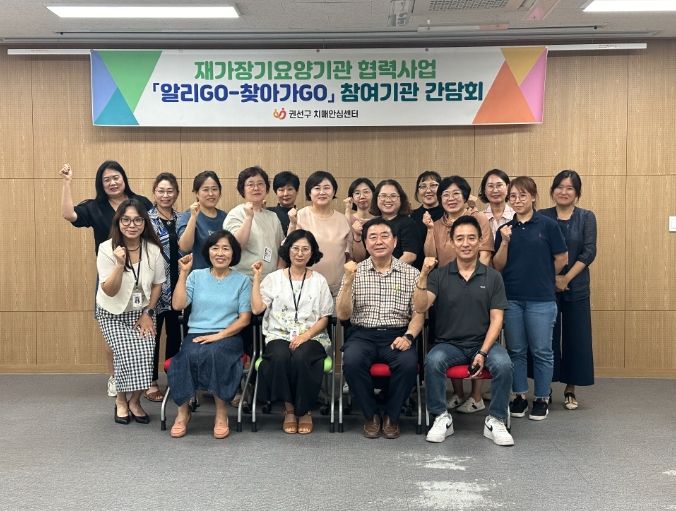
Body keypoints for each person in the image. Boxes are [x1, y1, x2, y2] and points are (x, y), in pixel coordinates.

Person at [414, 216, 514, 446]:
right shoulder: (439, 275)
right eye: (460, 238)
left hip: (484, 343)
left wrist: (483, 352)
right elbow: (420, 306)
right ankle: (441, 417)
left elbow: (497, 320)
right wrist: (423, 275)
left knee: (504, 364)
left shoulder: (493, 277)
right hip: (449, 344)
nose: (466, 243)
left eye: (471, 238)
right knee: (433, 361)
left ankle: (496, 420)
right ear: (451, 242)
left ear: (480, 241)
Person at [60, 160, 153, 397]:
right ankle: (115, 376)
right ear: (101, 184)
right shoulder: (95, 207)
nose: (112, 182)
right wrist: (67, 183)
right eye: (106, 180)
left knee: (140, 327)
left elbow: (153, 231)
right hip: (111, 273)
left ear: (124, 178)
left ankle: (142, 380)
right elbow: (69, 214)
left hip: (141, 272)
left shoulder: (141, 203)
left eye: (116, 177)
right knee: (112, 329)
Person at [336, 218, 424, 439]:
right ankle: (371, 415)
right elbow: (343, 315)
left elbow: (419, 313)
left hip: (397, 334)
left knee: (408, 364)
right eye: (372, 237)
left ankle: (392, 416)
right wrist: (348, 281)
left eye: (384, 236)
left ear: (395, 242)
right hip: (362, 334)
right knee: (352, 361)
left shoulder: (411, 274)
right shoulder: (354, 272)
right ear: (366, 244)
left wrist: (408, 337)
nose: (379, 241)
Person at [493, 176, 568, 421]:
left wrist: (544, 276)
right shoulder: (505, 229)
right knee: (516, 350)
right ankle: (519, 396)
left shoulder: (548, 225)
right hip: (512, 299)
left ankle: (542, 398)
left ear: (533, 197)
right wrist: (504, 242)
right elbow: (497, 265)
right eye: (513, 196)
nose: (517, 200)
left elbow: (562, 258)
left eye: (522, 195)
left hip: (541, 299)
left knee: (542, 351)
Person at [168, 230, 252, 439]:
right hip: (197, 333)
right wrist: (183, 273)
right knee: (186, 356)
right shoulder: (196, 276)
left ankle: (221, 414)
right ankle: (183, 412)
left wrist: (219, 336)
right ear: (208, 252)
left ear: (233, 253)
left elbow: (244, 319)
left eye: (226, 248)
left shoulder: (242, 280)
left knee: (215, 353)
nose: (220, 253)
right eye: (215, 248)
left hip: (229, 336)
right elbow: (178, 305)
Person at [250, 230, 334, 434]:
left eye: (305, 249)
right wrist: (257, 278)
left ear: (312, 253)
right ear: (288, 251)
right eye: (295, 248)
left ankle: (304, 411)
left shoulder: (319, 281)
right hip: (278, 335)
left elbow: (325, 317)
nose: (300, 253)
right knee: (280, 356)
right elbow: (257, 309)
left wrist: (305, 336)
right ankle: (289, 409)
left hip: (312, 336)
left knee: (302, 356)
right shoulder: (273, 278)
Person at [423, 175, 493, 412]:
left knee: (476, 337)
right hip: (444, 290)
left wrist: (476, 282)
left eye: (456, 194)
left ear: (465, 196)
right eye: (445, 195)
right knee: (448, 337)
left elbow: (485, 254)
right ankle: (458, 392)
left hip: (476, 288)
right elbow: (431, 256)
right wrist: (430, 231)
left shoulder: (478, 219)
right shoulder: (437, 224)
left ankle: (476, 396)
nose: (451, 198)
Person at [95, 198, 165, 425]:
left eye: (137, 220)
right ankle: (121, 401)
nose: (131, 225)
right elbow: (109, 290)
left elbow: (158, 284)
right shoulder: (107, 249)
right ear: (118, 222)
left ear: (144, 223)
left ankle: (135, 401)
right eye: (126, 220)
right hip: (112, 312)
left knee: (146, 351)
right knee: (124, 353)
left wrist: (148, 313)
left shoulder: (153, 250)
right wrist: (118, 264)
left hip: (140, 312)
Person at [540, 170, 597, 409]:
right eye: (559, 187)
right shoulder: (542, 216)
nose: (564, 192)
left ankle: (570, 388)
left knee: (576, 337)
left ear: (577, 193)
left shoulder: (586, 217)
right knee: (546, 338)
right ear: (553, 190)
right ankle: (544, 386)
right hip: (546, 287)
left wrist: (566, 278)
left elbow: (589, 251)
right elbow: (537, 250)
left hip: (577, 286)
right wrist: (553, 278)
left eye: (569, 188)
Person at [145, 172, 182, 402]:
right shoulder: (146, 219)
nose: (165, 195)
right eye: (161, 191)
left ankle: (174, 377)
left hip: (179, 286)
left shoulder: (182, 218)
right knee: (153, 335)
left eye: (170, 191)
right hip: (155, 286)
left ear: (176, 193)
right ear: (154, 193)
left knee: (176, 335)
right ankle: (150, 382)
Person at [288, 170, 352, 296]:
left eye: (327, 188)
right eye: (317, 188)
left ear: (333, 192)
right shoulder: (300, 215)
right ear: (309, 193)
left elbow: (350, 255)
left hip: (336, 290)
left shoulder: (343, 219)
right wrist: (292, 224)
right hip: (305, 289)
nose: (322, 192)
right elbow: (288, 249)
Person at [224, 166, 284, 279]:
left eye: (260, 184)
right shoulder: (236, 214)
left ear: (266, 188)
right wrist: (248, 218)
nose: (256, 188)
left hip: (270, 279)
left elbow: (281, 248)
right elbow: (236, 246)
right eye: (250, 184)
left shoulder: (273, 216)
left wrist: (279, 273)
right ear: (242, 189)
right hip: (243, 279)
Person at [352, 179, 423, 268]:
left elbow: (410, 256)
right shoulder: (370, 224)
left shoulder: (408, 223)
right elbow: (360, 259)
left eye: (393, 196)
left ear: (400, 199)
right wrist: (357, 236)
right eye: (383, 196)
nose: (388, 200)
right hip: (371, 274)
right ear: (376, 198)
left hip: (399, 274)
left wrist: (386, 271)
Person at [177, 170, 227, 270]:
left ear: (220, 192)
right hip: (197, 276)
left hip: (223, 275)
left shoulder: (225, 217)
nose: (211, 193)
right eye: (205, 190)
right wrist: (193, 217)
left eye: (214, 189)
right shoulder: (187, 216)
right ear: (197, 193)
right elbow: (185, 247)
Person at [478, 168, 515, 239]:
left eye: (499, 185)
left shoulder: (516, 216)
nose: (495, 190)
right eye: (490, 186)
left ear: (508, 188)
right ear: (484, 190)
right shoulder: (478, 218)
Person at [410, 171, 443, 244]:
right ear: (418, 190)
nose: (428, 190)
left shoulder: (447, 214)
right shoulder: (411, 216)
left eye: (433, 185)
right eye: (423, 186)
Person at [268, 171, 300, 235]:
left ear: (297, 191)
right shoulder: (268, 213)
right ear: (275, 192)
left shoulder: (302, 214)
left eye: (290, 189)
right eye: (281, 190)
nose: (285, 194)